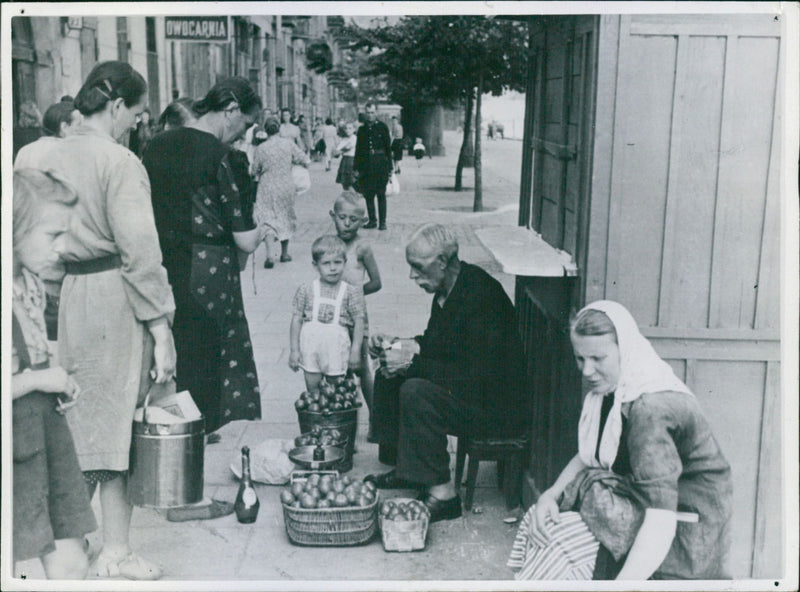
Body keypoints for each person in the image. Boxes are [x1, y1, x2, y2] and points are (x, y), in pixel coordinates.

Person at [47, 60, 176, 580]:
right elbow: (141, 253)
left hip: (71, 295)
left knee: (79, 420)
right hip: (114, 296)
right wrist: (161, 327)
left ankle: (72, 543)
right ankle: (112, 550)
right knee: (121, 423)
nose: (138, 124)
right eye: (137, 114)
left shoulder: (46, 154)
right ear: (117, 105)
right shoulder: (120, 162)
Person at [507, 301, 733, 580]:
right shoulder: (614, 389)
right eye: (580, 359)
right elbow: (589, 456)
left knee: (560, 552)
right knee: (543, 525)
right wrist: (549, 496)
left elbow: (661, 520)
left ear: (625, 350)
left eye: (598, 359)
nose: (586, 371)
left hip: (685, 533)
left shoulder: (650, 408)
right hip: (637, 506)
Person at [364, 223, 530, 522]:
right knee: (390, 372)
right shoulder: (448, 288)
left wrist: (411, 363)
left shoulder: (481, 295)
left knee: (416, 391)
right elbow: (437, 346)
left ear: (442, 261)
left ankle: (444, 494)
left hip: (495, 407)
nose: (412, 276)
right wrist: (398, 345)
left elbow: (476, 375)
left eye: (418, 267)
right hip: (472, 390)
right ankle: (408, 469)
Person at [143, 77, 265, 441]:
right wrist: (265, 228)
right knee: (205, 362)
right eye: (245, 123)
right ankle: (197, 439)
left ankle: (171, 440)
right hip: (207, 277)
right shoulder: (226, 157)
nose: (243, 134)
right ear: (230, 110)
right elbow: (244, 240)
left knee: (173, 355)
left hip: (162, 268)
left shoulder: (156, 145)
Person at [11, 169, 97, 579]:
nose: (62, 248)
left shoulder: (28, 281)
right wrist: (36, 381)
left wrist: (56, 374)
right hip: (12, 442)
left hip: (44, 434)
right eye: (52, 236)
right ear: (12, 227)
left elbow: (31, 349)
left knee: (71, 559)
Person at [14, 99, 84, 342]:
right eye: (78, 126)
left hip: (29, 251)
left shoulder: (26, 150)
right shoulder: (67, 152)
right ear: (64, 127)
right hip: (53, 263)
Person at [330, 191, 383, 439]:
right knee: (336, 368)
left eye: (354, 219)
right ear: (333, 216)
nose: (347, 224)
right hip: (332, 316)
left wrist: (354, 294)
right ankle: (342, 421)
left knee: (361, 367)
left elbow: (376, 282)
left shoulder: (362, 248)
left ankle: (376, 419)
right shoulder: (329, 245)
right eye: (342, 218)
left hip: (356, 317)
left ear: (362, 221)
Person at [289, 235, 366, 394]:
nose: (333, 268)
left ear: (345, 262)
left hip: (336, 350)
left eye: (337, 262)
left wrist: (355, 351)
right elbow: (296, 319)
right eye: (326, 263)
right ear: (315, 265)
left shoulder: (350, 292)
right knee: (313, 391)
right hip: (311, 349)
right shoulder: (306, 289)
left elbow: (359, 321)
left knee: (337, 391)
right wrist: (294, 350)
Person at [251, 116, 311, 268]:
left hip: (266, 187)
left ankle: (270, 255)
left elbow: (254, 171)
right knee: (285, 216)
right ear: (279, 129)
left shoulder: (261, 148)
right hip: (286, 185)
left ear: (266, 130)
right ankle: (284, 254)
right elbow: (305, 160)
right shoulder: (288, 144)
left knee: (267, 219)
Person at [353, 102, 392, 230]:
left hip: (381, 165)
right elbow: (358, 149)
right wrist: (356, 168)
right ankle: (372, 220)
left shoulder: (383, 127)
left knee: (381, 194)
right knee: (368, 194)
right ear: (365, 113)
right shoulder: (362, 130)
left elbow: (388, 149)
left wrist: (390, 168)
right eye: (368, 113)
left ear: (376, 113)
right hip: (366, 165)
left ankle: (383, 222)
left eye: (372, 112)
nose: (370, 115)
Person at [15, 99, 82, 170]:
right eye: (79, 124)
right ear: (64, 127)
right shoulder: (69, 153)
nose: (82, 128)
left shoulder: (24, 151)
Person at [334, 121, 357, 191]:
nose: (347, 130)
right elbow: (336, 152)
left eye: (350, 128)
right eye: (346, 128)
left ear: (354, 129)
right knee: (344, 183)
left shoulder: (354, 138)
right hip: (344, 161)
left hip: (351, 160)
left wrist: (339, 151)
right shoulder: (344, 139)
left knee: (351, 182)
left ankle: (351, 196)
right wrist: (338, 151)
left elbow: (347, 148)